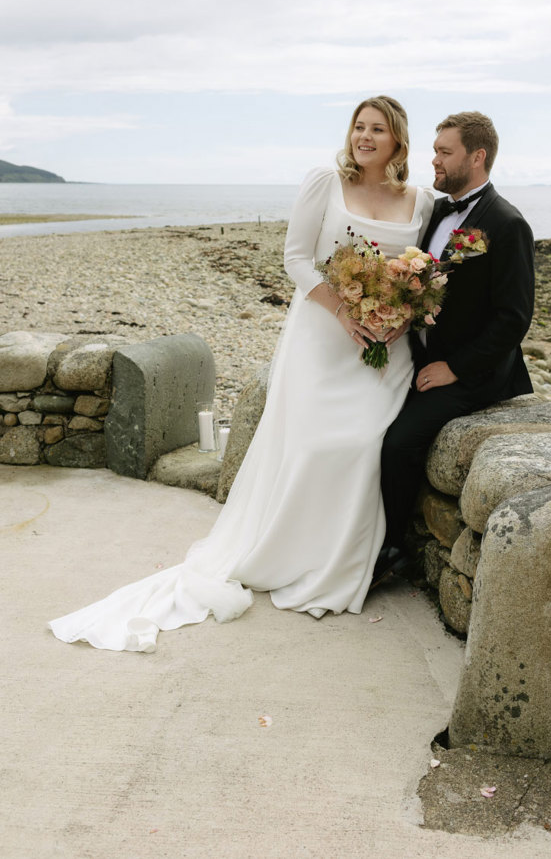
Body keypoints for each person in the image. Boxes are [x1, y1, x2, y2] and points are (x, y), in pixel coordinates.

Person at [49, 96, 434, 652]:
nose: (365, 137)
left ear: (398, 140)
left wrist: (398, 317)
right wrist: (347, 309)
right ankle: (290, 552)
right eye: (359, 127)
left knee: (364, 443)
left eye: (378, 129)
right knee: (313, 444)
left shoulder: (420, 201)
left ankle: (343, 561)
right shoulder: (325, 182)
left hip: (386, 346)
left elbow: (419, 273)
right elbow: (297, 258)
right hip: (324, 337)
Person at [377, 111, 534, 577]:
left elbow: (514, 318)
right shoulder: (440, 210)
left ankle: (391, 550)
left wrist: (455, 369)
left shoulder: (507, 224)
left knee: (399, 443)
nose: (434, 161)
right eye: (436, 151)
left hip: (474, 374)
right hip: (422, 356)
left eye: (445, 153)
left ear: (477, 157)